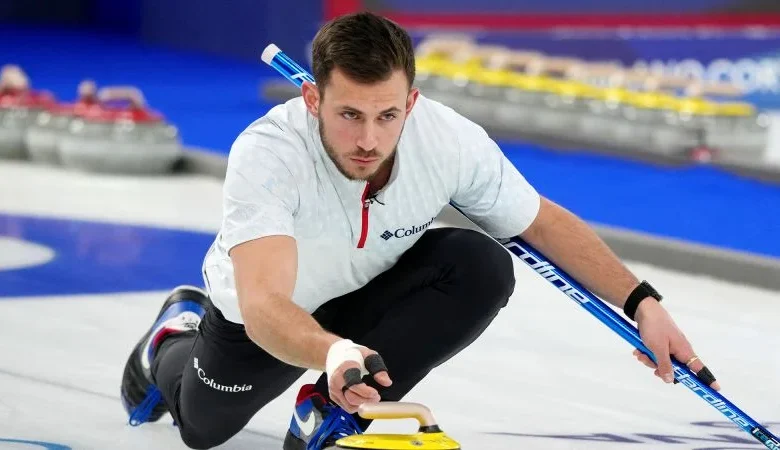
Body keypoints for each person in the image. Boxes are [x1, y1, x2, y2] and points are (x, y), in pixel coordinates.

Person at [119, 11, 719, 450]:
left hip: (371, 285)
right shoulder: (268, 154)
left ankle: (335, 416)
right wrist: (331, 351)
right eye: (348, 114)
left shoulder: (446, 138)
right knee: (202, 429)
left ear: (411, 101)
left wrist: (641, 302)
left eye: (386, 115)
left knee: (481, 264)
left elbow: (540, 221)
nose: (369, 141)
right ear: (311, 98)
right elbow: (265, 301)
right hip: (273, 318)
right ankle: (171, 338)